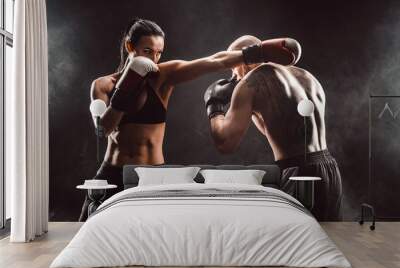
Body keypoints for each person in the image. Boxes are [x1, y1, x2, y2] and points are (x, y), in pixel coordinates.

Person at [80, 18, 301, 221]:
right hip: (113, 172)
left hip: (154, 174)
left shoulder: (163, 76)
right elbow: (103, 129)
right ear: (130, 46)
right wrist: (129, 81)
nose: (154, 59)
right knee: (89, 229)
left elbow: (213, 61)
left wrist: (258, 52)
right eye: (147, 51)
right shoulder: (102, 85)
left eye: (159, 52)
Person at [203, 35, 343, 221]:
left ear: (242, 60)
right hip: (330, 168)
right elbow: (280, 130)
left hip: (298, 172)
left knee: (295, 243)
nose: (234, 76)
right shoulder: (305, 76)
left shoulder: (251, 83)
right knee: (331, 237)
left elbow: (225, 143)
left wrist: (215, 105)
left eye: (233, 67)